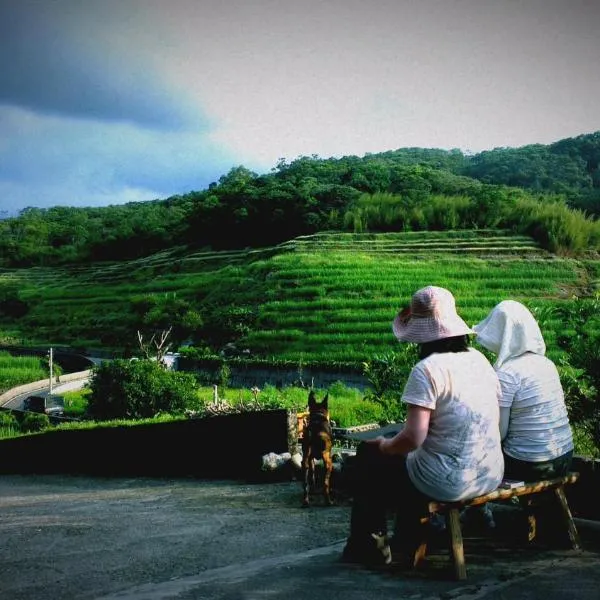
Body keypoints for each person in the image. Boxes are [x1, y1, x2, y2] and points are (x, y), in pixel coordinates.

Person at [342, 286, 504, 566]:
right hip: (489, 472)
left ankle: (370, 546)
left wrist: (384, 445)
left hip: (449, 482)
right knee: (395, 451)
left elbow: (414, 438)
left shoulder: (426, 370)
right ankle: (413, 530)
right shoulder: (479, 360)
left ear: (420, 334)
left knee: (370, 456)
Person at [473, 300, 574, 480]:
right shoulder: (547, 364)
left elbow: (499, 433)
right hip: (564, 457)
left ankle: (478, 508)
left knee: (472, 459)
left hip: (529, 464)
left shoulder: (507, 373)